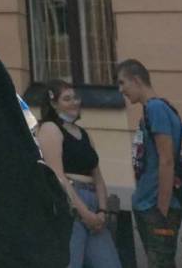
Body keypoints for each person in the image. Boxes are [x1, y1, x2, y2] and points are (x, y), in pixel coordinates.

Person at [34, 79, 121, 268]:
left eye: (75, 98)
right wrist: (83, 212)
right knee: (71, 261)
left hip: (94, 203)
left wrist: (102, 211)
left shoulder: (84, 133)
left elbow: (98, 176)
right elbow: (57, 175)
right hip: (71, 203)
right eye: (67, 99)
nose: (74, 102)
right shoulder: (50, 129)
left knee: (110, 263)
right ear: (54, 103)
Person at [115, 58, 182, 268]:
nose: (121, 90)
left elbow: (167, 160)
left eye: (122, 82)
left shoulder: (156, 109)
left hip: (157, 207)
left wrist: (162, 210)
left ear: (137, 80)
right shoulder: (153, 109)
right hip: (148, 203)